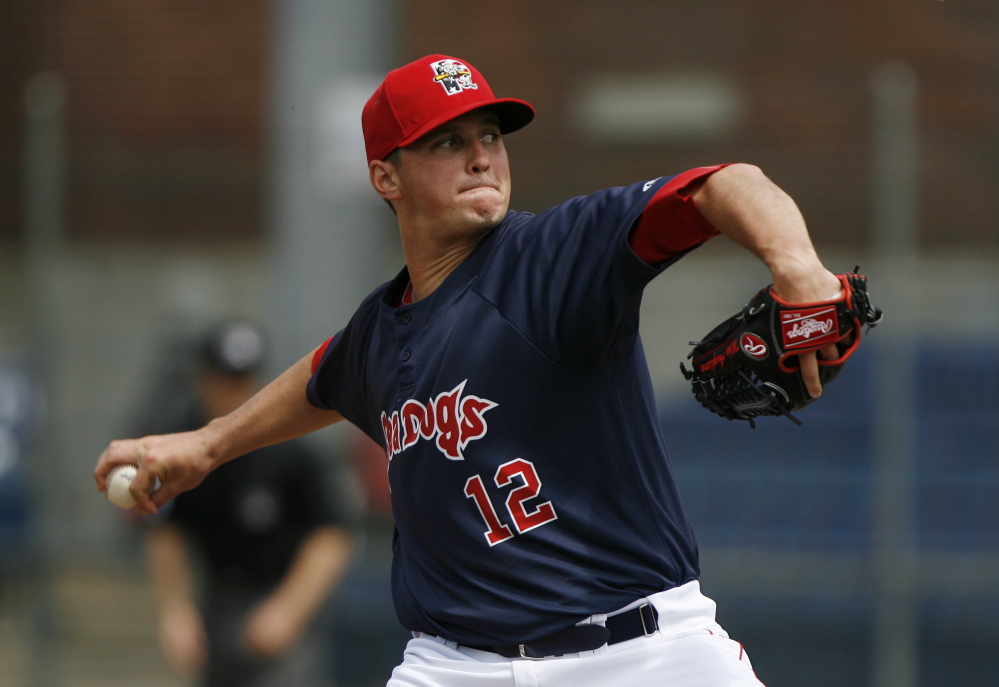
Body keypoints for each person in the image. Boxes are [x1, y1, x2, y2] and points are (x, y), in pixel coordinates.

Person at [97, 54, 847, 686]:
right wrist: (209, 443)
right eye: (446, 142)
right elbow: (324, 375)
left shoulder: (556, 256)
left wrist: (797, 267)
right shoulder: (380, 330)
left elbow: (722, 184)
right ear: (385, 177)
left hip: (641, 651)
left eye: (489, 134)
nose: (481, 154)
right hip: (454, 665)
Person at [138, 321, 355, 687]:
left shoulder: (289, 448)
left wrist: (288, 610)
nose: (232, 391)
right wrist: (176, 611)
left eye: (241, 379)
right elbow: (167, 532)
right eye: (222, 378)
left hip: (278, 594)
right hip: (220, 602)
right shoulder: (184, 445)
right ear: (202, 378)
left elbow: (331, 536)